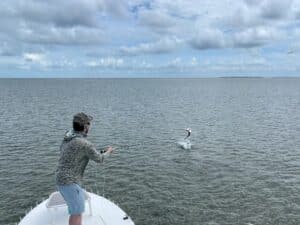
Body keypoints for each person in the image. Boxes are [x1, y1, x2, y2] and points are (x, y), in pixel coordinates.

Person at [55, 112, 113, 225]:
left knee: (75, 212)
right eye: (89, 124)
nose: (90, 127)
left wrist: (99, 152)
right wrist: (109, 152)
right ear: (85, 127)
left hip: (60, 180)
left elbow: (75, 153)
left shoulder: (67, 137)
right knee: (77, 213)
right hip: (70, 183)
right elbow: (99, 159)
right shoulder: (85, 144)